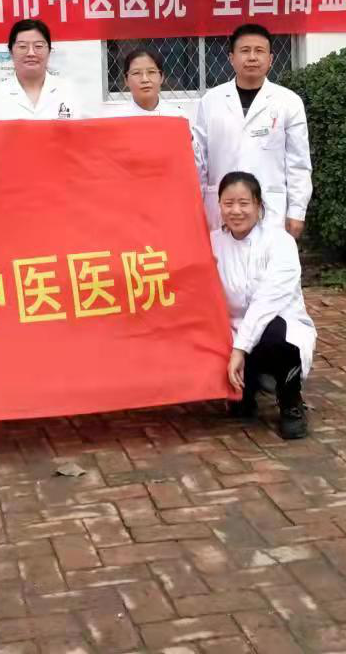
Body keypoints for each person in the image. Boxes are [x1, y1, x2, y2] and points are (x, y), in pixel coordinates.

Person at [211, 171, 316, 440]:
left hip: (275, 327)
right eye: (228, 203)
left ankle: (290, 401)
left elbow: (267, 302)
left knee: (273, 333)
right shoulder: (212, 243)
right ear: (219, 205)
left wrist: (240, 349)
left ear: (258, 205)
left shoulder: (280, 242)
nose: (236, 211)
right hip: (232, 330)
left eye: (244, 203)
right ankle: (246, 387)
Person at [192, 23, 312, 237]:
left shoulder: (288, 102)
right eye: (245, 51)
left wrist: (297, 211)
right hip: (222, 208)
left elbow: (298, 163)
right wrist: (194, 207)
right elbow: (199, 160)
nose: (252, 57)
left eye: (259, 51)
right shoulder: (211, 101)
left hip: (270, 207)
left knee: (269, 257)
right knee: (221, 257)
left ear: (271, 59)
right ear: (231, 58)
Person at [0, 18, 87, 120]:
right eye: (22, 47)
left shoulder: (69, 92)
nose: (31, 53)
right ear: (11, 52)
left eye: (38, 46)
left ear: (49, 51)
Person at [106, 47, 186, 118]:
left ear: (161, 77)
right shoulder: (114, 119)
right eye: (136, 73)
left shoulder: (177, 117)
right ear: (126, 80)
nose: (145, 79)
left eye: (151, 72)